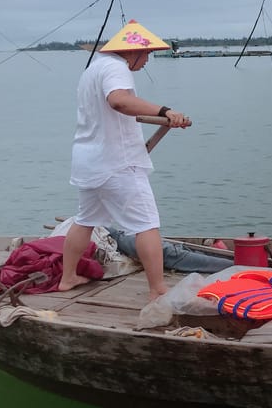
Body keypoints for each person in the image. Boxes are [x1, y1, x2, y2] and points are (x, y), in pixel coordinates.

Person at [59, 19, 190, 301]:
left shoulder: (93, 69)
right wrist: (165, 110)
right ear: (133, 51)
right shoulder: (116, 67)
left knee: (85, 220)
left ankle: (67, 278)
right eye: (147, 54)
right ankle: (157, 289)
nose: (147, 60)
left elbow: (116, 108)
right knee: (146, 223)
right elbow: (119, 101)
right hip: (117, 162)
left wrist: (160, 116)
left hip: (88, 160)